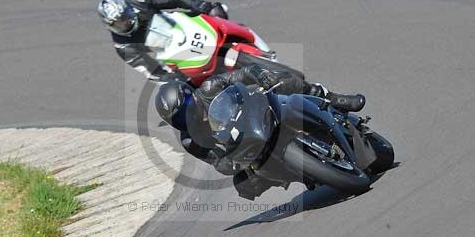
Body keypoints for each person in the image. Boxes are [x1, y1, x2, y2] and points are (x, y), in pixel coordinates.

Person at [154, 65, 366, 176]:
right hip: (248, 145)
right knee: (248, 182)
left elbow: (243, 74)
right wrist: (234, 166)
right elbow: (217, 162)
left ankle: (333, 98)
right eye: (180, 117)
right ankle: (311, 172)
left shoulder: (210, 88)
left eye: (188, 106)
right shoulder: (191, 140)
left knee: (284, 83)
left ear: (192, 94)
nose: (188, 115)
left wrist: (260, 75)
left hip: (259, 110)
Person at [97, 0, 229, 81]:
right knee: (189, 93)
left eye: (125, 16)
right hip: (179, 56)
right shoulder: (122, 46)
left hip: (190, 25)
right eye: (119, 24)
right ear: (110, 26)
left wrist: (199, 4)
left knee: (217, 11)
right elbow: (149, 70)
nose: (126, 23)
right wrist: (170, 78)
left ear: (127, 7)